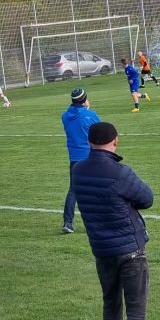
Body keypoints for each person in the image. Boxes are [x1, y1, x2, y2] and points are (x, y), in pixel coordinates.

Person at [72, 121, 154, 320]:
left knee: (111, 305)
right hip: (130, 249)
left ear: (89, 142)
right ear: (116, 141)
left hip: (102, 249)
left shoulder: (78, 170)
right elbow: (147, 198)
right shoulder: (120, 172)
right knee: (136, 310)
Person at [61, 88, 100, 234]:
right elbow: (99, 129)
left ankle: (68, 222)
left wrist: (84, 107)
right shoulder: (90, 115)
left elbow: (75, 117)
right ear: (84, 100)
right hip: (90, 157)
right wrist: (88, 109)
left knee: (73, 191)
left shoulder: (65, 116)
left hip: (74, 158)